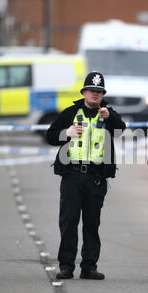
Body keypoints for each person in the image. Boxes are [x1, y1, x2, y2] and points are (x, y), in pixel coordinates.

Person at [46, 71, 126, 280]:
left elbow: (121, 129)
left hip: (95, 178)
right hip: (72, 175)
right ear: (84, 92)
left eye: (99, 92)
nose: (95, 95)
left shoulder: (107, 114)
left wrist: (112, 116)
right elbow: (51, 135)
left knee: (92, 224)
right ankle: (66, 266)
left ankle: (89, 267)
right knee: (69, 222)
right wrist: (67, 133)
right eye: (92, 91)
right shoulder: (71, 112)